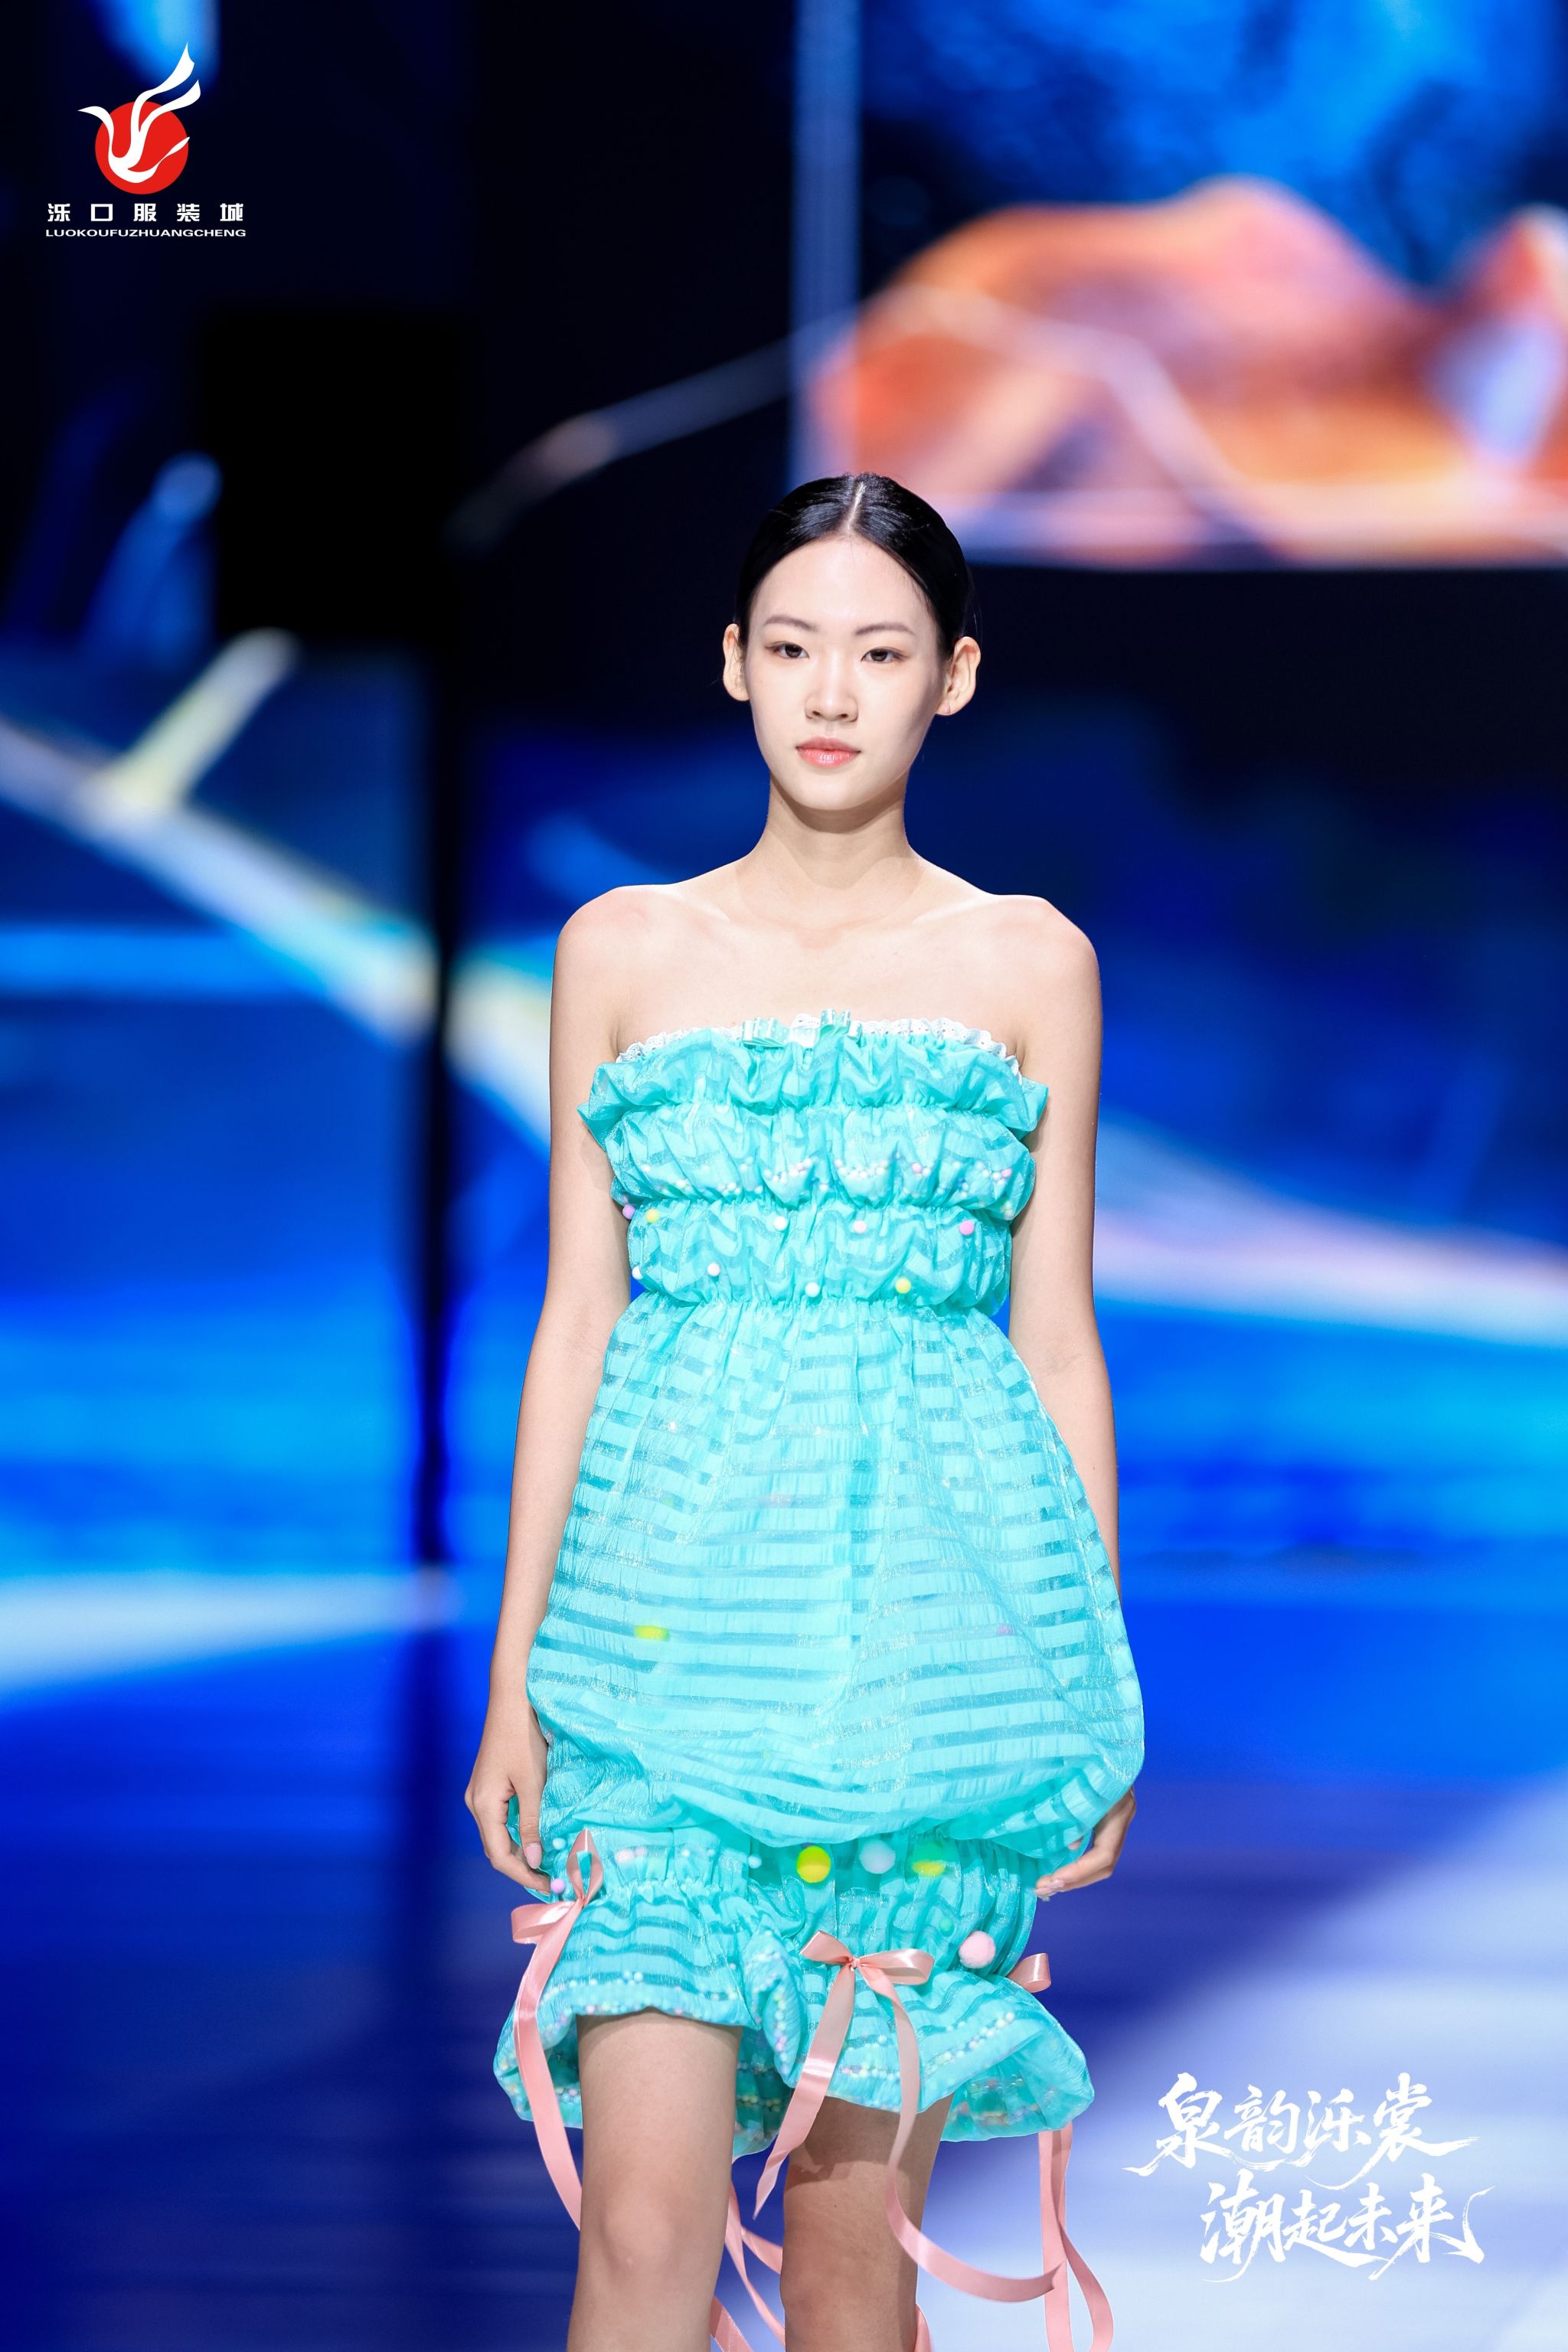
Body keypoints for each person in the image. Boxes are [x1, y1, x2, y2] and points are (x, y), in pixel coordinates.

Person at [465, 472, 1144, 2352]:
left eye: (879, 652)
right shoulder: (620, 950)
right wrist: (517, 1674)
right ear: (733, 664)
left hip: (926, 1679)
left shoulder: (1029, 963)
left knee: (855, 2275)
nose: (830, 692)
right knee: (641, 2230)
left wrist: (1089, 1693)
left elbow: (1056, 1342)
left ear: (954, 677)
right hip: (656, 1659)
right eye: (791, 647)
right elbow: (576, 1321)